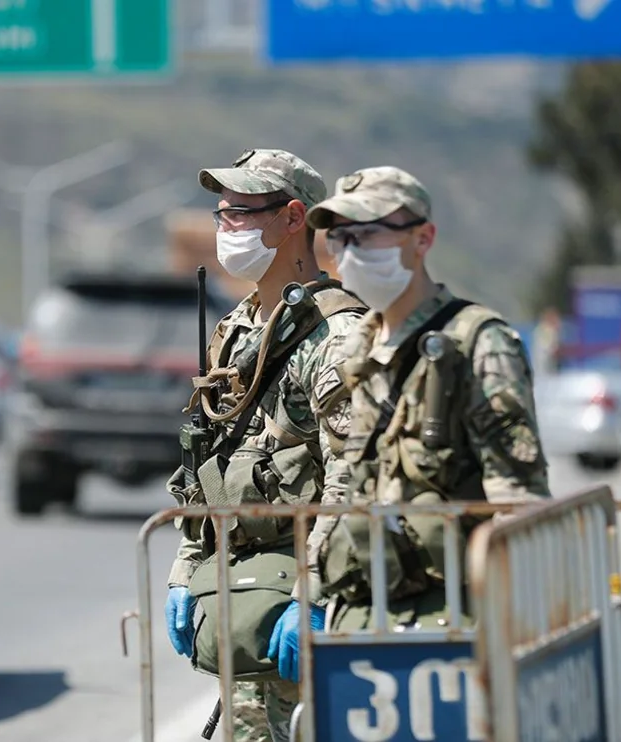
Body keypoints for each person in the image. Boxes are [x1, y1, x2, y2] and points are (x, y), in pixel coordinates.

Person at [164, 149, 367, 742]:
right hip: (248, 599)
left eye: (242, 213)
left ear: (293, 217)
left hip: (307, 598)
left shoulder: (337, 334)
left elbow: (350, 475)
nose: (227, 227)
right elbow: (205, 460)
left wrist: (315, 588)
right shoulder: (239, 329)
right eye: (221, 215)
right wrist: (188, 565)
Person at [303, 165, 552, 631]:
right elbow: (350, 481)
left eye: (370, 233)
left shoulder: (477, 343)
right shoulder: (359, 346)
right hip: (363, 608)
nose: (351, 251)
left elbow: (517, 503)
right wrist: (311, 586)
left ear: (422, 239)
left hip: (453, 616)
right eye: (340, 237)